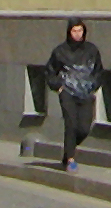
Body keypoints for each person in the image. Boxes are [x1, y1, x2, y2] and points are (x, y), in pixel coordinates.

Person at [43, 19, 103, 171]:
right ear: (69, 32)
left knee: (84, 128)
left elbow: (99, 71)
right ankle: (70, 159)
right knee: (71, 124)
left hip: (86, 93)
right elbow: (50, 72)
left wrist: (94, 86)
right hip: (67, 92)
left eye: (80, 31)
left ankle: (67, 151)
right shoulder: (60, 51)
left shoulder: (92, 50)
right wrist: (59, 87)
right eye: (74, 31)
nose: (78, 34)